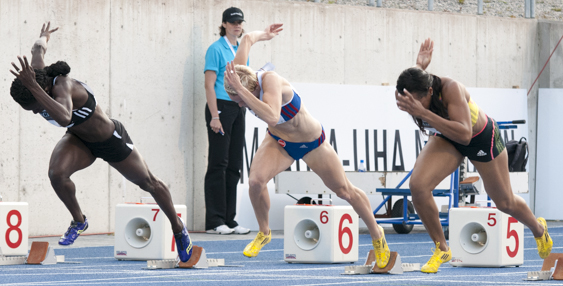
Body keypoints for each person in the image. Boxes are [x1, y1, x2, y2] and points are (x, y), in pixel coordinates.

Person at [9, 22, 196, 263]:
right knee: (57, 174)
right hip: (79, 140)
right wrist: (43, 36)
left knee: (149, 182)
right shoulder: (37, 74)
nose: (36, 113)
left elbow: (65, 116)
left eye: (34, 108)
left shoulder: (63, 86)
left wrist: (34, 88)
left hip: (109, 140)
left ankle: (178, 229)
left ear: (41, 89)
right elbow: (37, 48)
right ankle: (79, 220)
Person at [222, 24, 391, 269]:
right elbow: (247, 38)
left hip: (312, 143)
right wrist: (265, 35)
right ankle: (264, 231)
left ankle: (378, 236)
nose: (238, 104)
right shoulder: (239, 73)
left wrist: (240, 91)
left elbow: (271, 115)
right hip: (279, 142)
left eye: (237, 99)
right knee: (256, 182)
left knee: (345, 191)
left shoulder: (270, 81)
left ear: (252, 89)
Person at [394, 38, 553, 273]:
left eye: (418, 102)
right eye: (409, 103)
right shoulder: (414, 92)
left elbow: (465, 134)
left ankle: (539, 229)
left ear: (430, 91)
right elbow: (421, 88)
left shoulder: (451, 89)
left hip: (479, 137)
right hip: (447, 138)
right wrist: (419, 68)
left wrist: (423, 113)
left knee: (504, 202)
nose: (412, 106)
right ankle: (441, 248)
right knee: (417, 185)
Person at [203, 6, 250, 235]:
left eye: (240, 22)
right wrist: (214, 116)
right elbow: (209, 84)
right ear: (223, 24)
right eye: (232, 22)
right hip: (220, 108)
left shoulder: (241, 49)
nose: (237, 25)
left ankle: (230, 219)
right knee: (218, 164)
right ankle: (215, 220)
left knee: (234, 165)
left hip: (237, 108)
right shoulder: (215, 49)